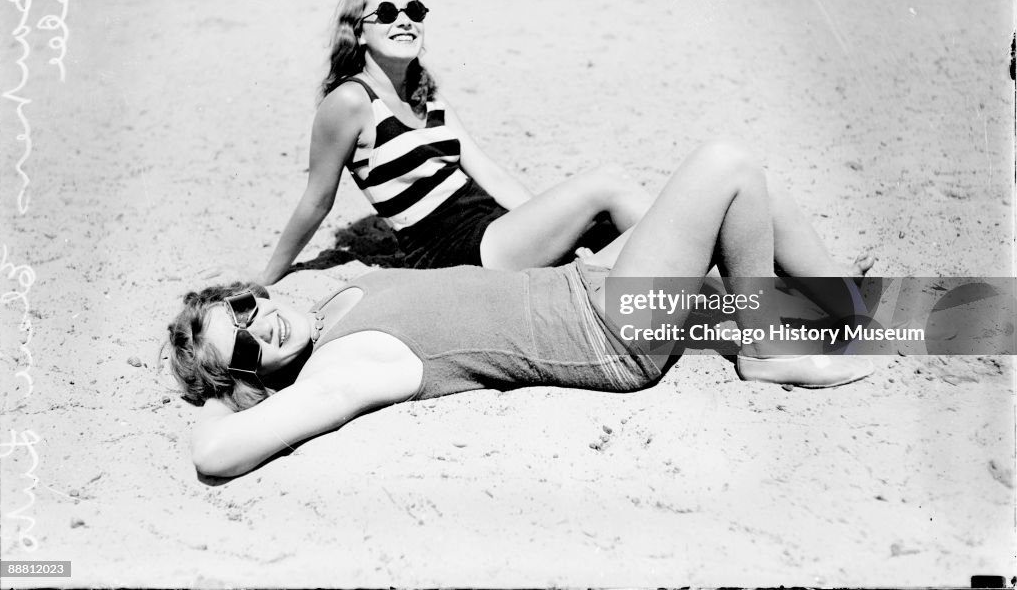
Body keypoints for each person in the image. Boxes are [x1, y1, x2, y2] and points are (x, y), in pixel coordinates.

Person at [169, 139, 876, 479]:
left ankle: (846, 307)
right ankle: (762, 351)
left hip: (593, 286)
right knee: (726, 168)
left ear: (253, 292)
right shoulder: (342, 367)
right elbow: (215, 454)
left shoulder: (333, 301)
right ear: (247, 373)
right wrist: (219, 394)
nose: (260, 324)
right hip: (610, 336)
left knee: (762, 195)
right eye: (243, 346)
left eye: (243, 307)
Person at [258, 0, 653, 284]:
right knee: (610, 183)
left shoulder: (426, 97)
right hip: (459, 252)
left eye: (414, 11)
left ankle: (687, 304)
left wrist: (554, 228)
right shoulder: (350, 102)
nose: (404, 21)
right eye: (386, 13)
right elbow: (316, 200)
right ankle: (699, 305)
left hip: (496, 231)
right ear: (359, 32)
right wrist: (266, 276)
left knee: (612, 229)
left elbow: (491, 174)